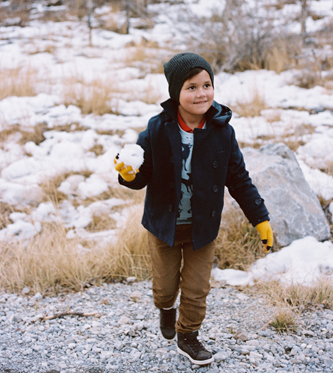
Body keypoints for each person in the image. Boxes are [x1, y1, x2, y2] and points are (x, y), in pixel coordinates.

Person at [114, 52, 274, 366]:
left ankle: (188, 335)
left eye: (206, 85)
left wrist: (261, 218)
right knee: (164, 289)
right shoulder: (157, 129)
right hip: (164, 226)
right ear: (176, 93)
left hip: (202, 227)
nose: (201, 94)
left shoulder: (222, 132)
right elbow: (140, 173)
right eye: (191, 87)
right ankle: (165, 309)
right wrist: (128, 173)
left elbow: (238, 178)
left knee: (197, 288)